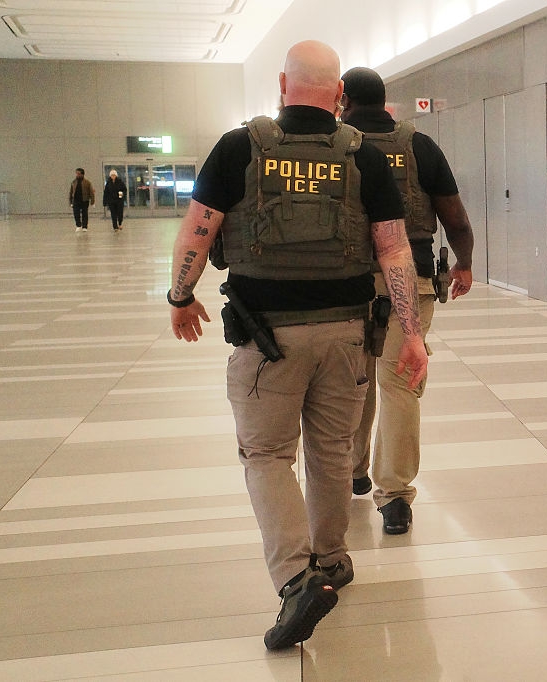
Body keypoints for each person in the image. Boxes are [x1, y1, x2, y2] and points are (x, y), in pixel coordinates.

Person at [166, 40, 428, 650]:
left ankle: (294, 579)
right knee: (333, 452)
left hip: (268, 338)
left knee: (266, 455)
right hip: (347, 333)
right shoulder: (361, 155)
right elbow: (394, 248)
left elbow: (199, 228)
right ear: (337, 94)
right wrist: (410, 333)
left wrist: (182, 295)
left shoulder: (240, 148)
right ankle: (332, 559)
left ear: (283, 84)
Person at [340, 66, 475, 535]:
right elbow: (454, 217)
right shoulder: (419, 145)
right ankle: (395, 497)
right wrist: (464, 263)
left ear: (345, 102)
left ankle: (352, 472)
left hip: (352, 283)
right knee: (400, 384)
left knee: (355, 382)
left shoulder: (339, 146)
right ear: (385, 102)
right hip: (411, 281)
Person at [69, 168, 95, 232]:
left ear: (82, 174)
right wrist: (70, 201)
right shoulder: (73, 182)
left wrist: (92, 202)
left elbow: (91, 192)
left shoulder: (87, 182)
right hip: (76, 200)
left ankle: (84, 226)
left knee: (84, 214)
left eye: (78, 174)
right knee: (76, 213)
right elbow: (71, 192)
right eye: (76, 173)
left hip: (84, 200)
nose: (77, 175)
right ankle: (78, 225)